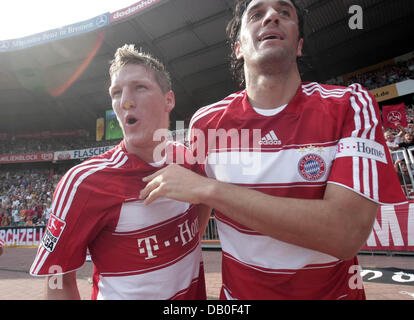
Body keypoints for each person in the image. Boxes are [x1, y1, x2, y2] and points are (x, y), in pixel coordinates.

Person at [139, 0, 407, 300]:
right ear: (239, 46)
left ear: (300, 45)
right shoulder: (207, 123)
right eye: (256, 14)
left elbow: (346, 234)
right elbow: (192, 233)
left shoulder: (351, 104)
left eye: (284, 13)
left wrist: (210, 190)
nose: (271, 17)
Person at [30, 44, 206, 300]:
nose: (125, 101)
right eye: (116, 92)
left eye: (140, 87)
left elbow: (203, 204)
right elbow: (57, 277)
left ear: (169, 100)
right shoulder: (83, 183)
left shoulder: (188, 158)